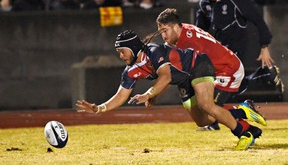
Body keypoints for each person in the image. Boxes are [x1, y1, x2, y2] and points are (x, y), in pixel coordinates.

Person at [77, 30, 267, 150]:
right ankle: (243, 110)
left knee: (206, 105)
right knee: (204, 120)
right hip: (184, 81)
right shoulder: (130, 71)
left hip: (198, 65)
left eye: (122, 50)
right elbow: (121, 95)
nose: (120, 55)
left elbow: (166, 76)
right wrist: (99, 108)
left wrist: (149, 94)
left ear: (133, 48)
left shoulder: (153, 51)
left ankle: (244, 133)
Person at [155, 7, 270, 131]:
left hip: (228, 69)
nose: (163, 35)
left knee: (208, 111)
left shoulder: (189, 44)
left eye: (165, 31)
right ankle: (248, 125)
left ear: (176, 27)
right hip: (220, 68)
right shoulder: (183, 30)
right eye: (161, 31)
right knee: (204, 109)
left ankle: (245, 119)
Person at [195, 0, 284, 93]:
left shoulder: (237, 0)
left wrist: (264, 46)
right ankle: (267, 75)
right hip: (219, 45)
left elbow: (259, 21)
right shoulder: (204, 3)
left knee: (227, 85)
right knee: (233, 86)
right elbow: (200, 27)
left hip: (237, 45)